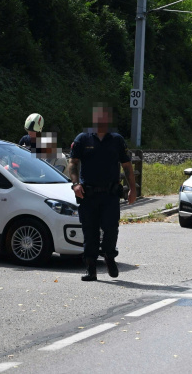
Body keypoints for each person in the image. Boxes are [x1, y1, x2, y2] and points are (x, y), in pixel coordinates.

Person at [68, 105, 137, 282]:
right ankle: (91, 269)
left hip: (110, 195)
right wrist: (75, 184)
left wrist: (133, 189)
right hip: (88, 195)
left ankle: (109, 256)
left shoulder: (117, 140)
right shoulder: (82, 139)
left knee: (111, 229)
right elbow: (73, 163)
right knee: (89, 232)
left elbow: (127, 166)